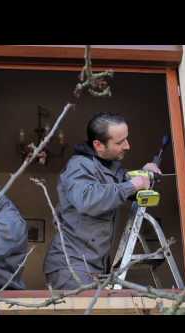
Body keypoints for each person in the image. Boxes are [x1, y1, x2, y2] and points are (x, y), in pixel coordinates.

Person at [43, 112, 161, 290]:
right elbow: (88, 199)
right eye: (120, 142)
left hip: (95, 266)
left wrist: (144, 173)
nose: (127, 146)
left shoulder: (110, 166)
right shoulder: (79, 166)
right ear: (98, 145)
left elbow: (120, 186)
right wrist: (132, 185)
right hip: (72, 266)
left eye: (126, 139)